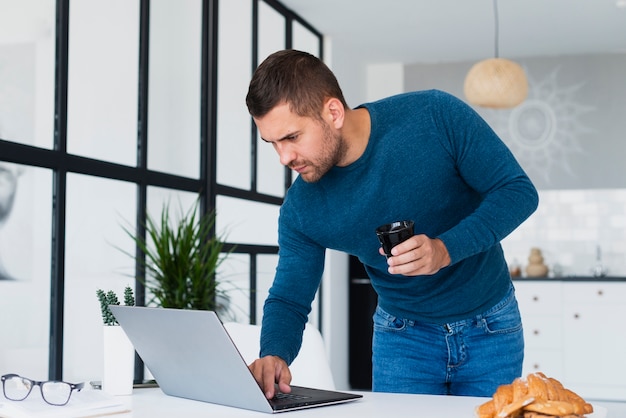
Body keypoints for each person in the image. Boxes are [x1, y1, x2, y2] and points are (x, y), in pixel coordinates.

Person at [244, 49, 538, 399]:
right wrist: (274, 353)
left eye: (291, 137)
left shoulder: (434, 115)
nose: (284, 157)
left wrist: (445, 250)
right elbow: (290, 296)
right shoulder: (302, 208)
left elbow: (517, 191)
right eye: (272, 143)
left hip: (491, 325)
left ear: (333, 112)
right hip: (403, 339)